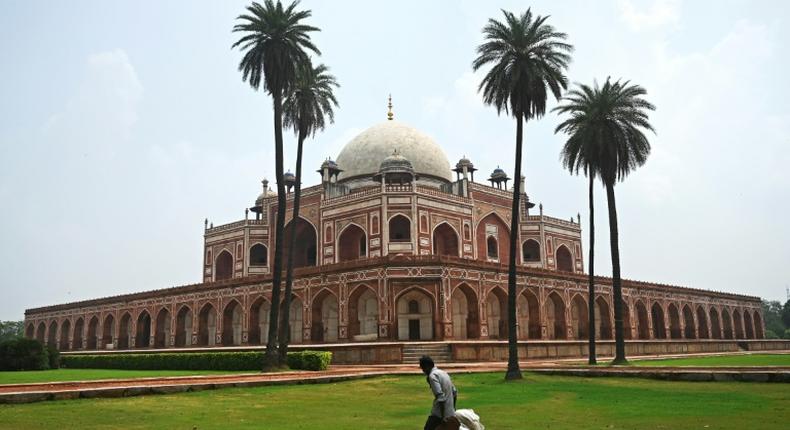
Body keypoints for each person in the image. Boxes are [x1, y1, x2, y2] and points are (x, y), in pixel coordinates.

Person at [419, 355, 458, 430]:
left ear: (427, 366)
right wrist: (453, 409)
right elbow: (454, 392)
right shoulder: (443, 373)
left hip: (439, 414)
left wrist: (443, 417)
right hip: (450, 412)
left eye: (423, 368)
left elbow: (440, 397)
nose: (423, 371)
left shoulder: (432, 376)